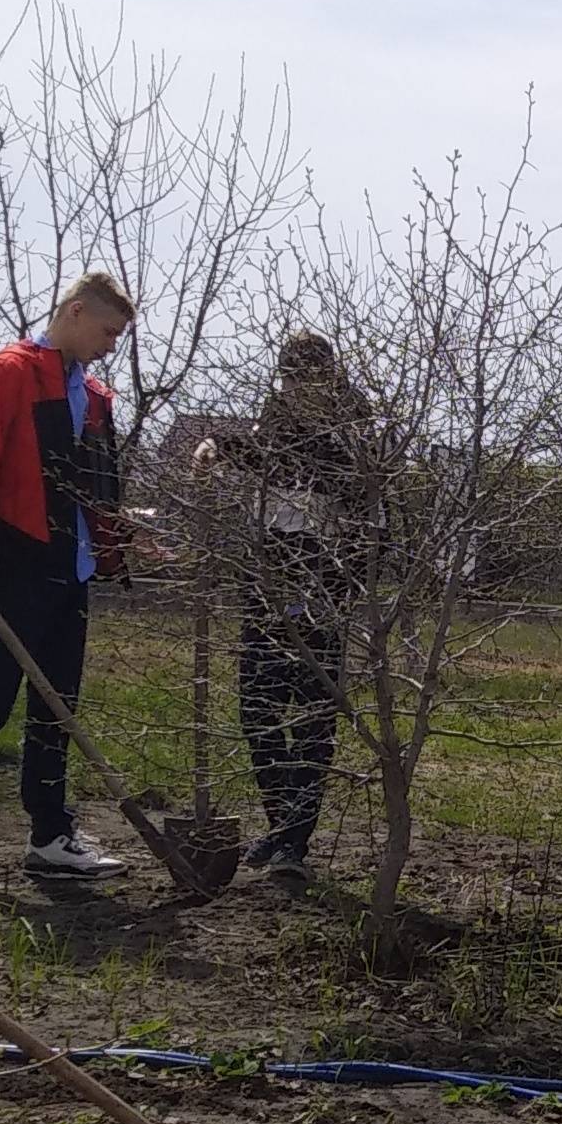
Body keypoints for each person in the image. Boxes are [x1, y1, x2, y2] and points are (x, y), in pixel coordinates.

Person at [0, 275, 137, 889]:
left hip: (71, 571)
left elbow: (94, 490)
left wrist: (120, 545)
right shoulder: (6, 373)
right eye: (107, 331)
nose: (110, 345)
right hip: (15, 565)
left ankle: (49, 834)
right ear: (75, 312)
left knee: (56, 706)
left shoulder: (95, 396)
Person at [237, 331, 371, 878]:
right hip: (266, 569)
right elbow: (264, 469)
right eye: (288, 382)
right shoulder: (272, 418)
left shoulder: (353, 425)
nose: (294, 392)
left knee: (314, 715)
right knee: (257, 708)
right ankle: (282, 826)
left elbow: (356, 495)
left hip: (322, 574)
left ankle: (295, 840)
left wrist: (340, 592)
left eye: (304, 383)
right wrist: (222, 449)